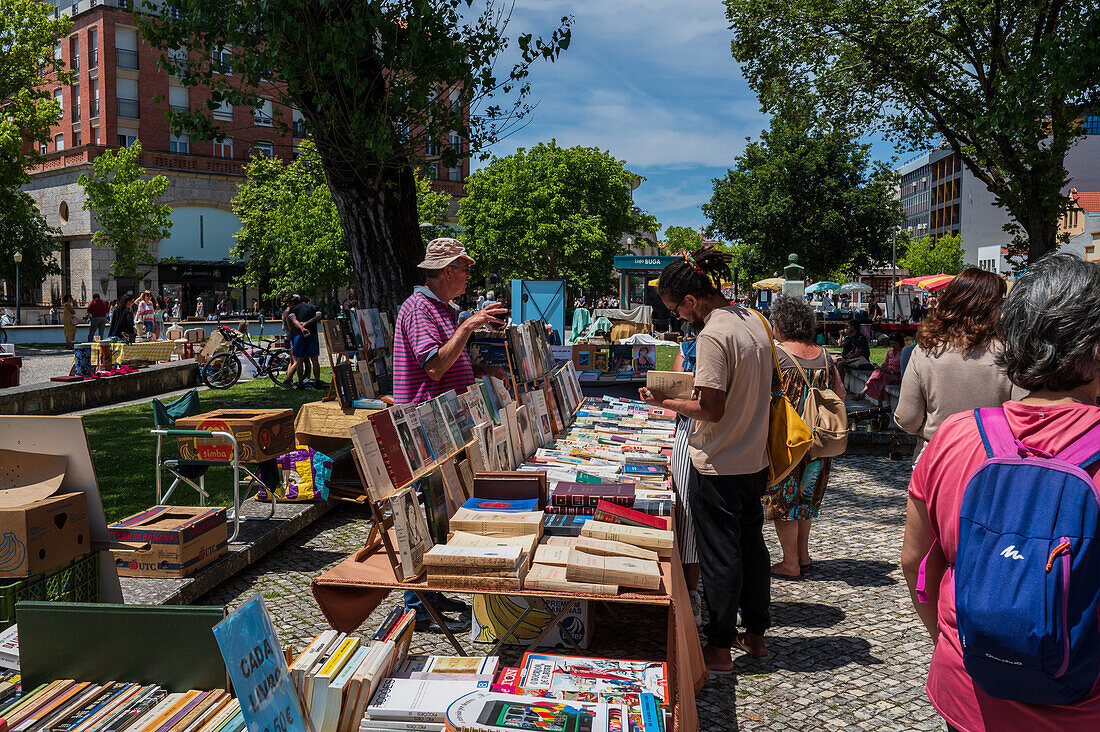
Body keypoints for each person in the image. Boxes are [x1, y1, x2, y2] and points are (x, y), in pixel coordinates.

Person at [901, 253, 1100, 731]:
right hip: (1080, 706)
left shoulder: (955, 436)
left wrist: (952, 640)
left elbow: (915, 562)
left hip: (970, 690)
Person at [640, 246, 774, 668]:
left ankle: (718, 646)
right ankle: (755, 635)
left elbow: (711, 409)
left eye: (676, 309)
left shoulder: (714, 333)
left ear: (693, 300)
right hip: (753, 456)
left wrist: (668, 401)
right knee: (752, 547)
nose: (678, 317)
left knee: (721, 555)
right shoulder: (753, 319)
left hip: (717, 460)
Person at [392, 238, 509, 632]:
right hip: (425, 426)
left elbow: (453, 362)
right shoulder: (420, 309)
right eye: (464, 269)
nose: (468, 276)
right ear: (446, 272)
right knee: (427, 513)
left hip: (445, 423)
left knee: (442, 511)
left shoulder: (442, 309)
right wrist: (469, 324)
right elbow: (435, 367)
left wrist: (481, 373)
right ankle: (417, 603)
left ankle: (434, 587)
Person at [894, 268, 1024, 460]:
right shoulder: (1010, 353)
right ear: (990, 308)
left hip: (936, 458)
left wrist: (933, 428)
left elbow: (907, 418)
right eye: (999, 304)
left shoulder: (924, 351)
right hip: (991, 461)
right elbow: (1022, 417)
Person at [765, 297, 847, 578]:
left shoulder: (777, 355)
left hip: (788, 440)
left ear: (780, 324)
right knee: (807, 497)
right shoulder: (825, 355)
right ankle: (803, 554)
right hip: (819, 440)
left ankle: (789, 563)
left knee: (784, 500)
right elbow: (841, 394)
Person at [668, 330, 702, 626]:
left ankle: (690, 592)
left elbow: (675, 389)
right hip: (732, 441)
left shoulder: (689, 347)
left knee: (687, 516)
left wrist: (664, 401)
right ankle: (692, 591)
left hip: (692, 433)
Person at [852, 334, 904, 403]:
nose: (892, 345)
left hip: (895, 375)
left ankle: (863, 393)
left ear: (899, 342)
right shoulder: (890, 352)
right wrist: (880, 368)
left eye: (894, 343)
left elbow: (903, 369)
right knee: (876, 374)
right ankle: (866, 395)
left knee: (880, 378)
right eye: (891, 343)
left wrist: (890, 371)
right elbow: (885, 363)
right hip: (886, 372)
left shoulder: (903, 353)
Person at [285, 295, 322, 389]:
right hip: (312, 334)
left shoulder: (294, 308)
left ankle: (300, 382)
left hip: (299, 335)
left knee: (299, 360)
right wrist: (307, 323)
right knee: (315, 360)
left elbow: (293, 319)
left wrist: (301, 327)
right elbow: (318, 316)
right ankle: (317, 381)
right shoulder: (314, 308)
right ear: (308, 301)